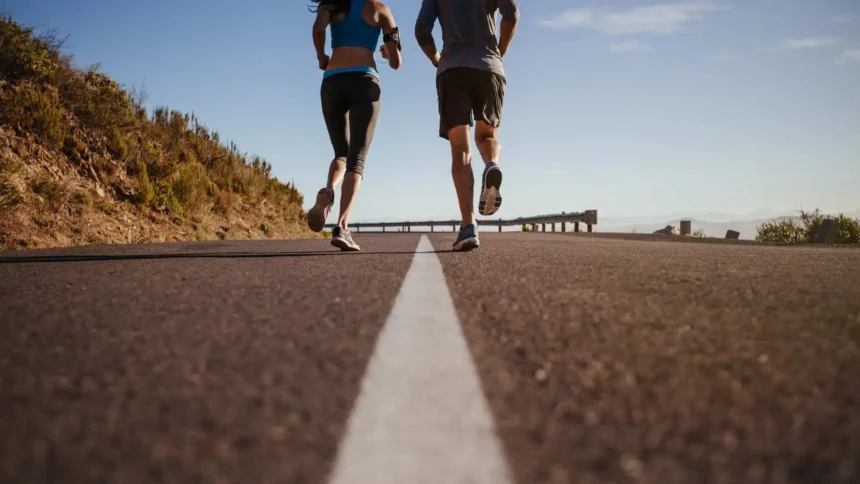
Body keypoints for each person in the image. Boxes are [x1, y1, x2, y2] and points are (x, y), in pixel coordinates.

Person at [415, 0, 519, 251]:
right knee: (486, 136)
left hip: (453, 69)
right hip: (489, 67)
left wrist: (436, 58)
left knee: (460, 150)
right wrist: (499, 51)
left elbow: (421, 29)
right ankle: (492, 164)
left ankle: (468, 225)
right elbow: (511, 14)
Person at [307, 0, 402, 251]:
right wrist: (386, 51)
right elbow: (396, 61)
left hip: (332, 81)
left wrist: (321, 57)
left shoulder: (331, 3)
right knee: (356, 157)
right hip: (365, 81)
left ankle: (329, 190)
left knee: (341, 151)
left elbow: (318, 29)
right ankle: (342, 225)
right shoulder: (381, 10)